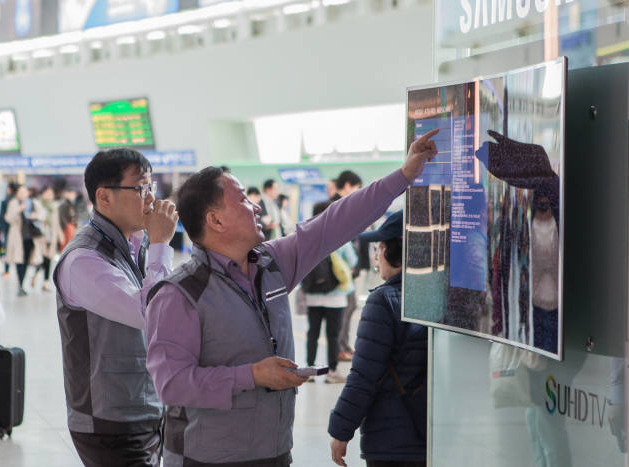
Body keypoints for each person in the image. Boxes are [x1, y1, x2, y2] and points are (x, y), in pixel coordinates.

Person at [144, 128, 439, 467]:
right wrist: (252, 375)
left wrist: (403, 176)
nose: (255, 206)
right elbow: (171, 384)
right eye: (242, 199)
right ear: (215, 220)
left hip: (274, 452)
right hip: (209, 458)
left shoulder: (271, 263)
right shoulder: (180, 293)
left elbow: (335, 222)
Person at [53, 148, 178, 467]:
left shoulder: (138, 244)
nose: (150, 198)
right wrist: (162, 245)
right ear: (104, 197)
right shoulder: (84, 259)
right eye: (140, 188)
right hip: (109, 421)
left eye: (152, 187)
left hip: (146, 408)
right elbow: (150, 313)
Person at [329, 210, 428, 467]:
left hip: (392, 440)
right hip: (433, 431)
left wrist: (341, 429)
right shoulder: (440, 295)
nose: (377, 255)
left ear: (396, 251)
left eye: (381, 247)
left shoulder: (382, 301)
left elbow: (364, 374)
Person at [302, 200, 358, 384]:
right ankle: (332, 372)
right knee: (333, 335)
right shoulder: (340, 236)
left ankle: (309, 370)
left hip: (313, 296)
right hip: (336, 297)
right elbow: (352, 261)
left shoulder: (308, 236)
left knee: (313, 333)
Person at [332, 170, 363, 362]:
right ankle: (339, 347)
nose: (357, 192)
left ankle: (343, 345)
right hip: (341, 267)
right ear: (348, 186)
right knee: (345, 307)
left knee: (349, 306)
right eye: (356, 188)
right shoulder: (337, 205)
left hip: (345, 266)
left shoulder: (342, 204)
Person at [5, 185, 44, 296]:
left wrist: (34, 215)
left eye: (25, 191)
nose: (23, 194)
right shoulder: (13, 203)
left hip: (30, 237)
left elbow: (42, 215)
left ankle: (22, 284)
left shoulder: (33, 202)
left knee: (27, 261)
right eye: (21, 192)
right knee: (19, 261)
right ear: (17, 193)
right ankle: (20, 285)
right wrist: (18, 210)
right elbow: (8, 218)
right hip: (18, 237)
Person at [32, 186, 63, 291]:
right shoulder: (37, 203)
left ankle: (44, 282)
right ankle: (37, 276)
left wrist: (60, 235)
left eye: (51, 193)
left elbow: (57, 222)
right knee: (42, 258)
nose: (50, 195)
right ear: (43, 193)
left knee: (48, 259)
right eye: (48, 193)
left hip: (51, 235)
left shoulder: (54, 206)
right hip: (41, 235)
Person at [0, 182, 18, 276]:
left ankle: (6, 270)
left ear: (9, 189)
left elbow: (2, 217)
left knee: (5, 247)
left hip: (6, 229)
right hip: (16, 229)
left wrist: (2, 229)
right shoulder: (18, 201)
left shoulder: (5, 201)